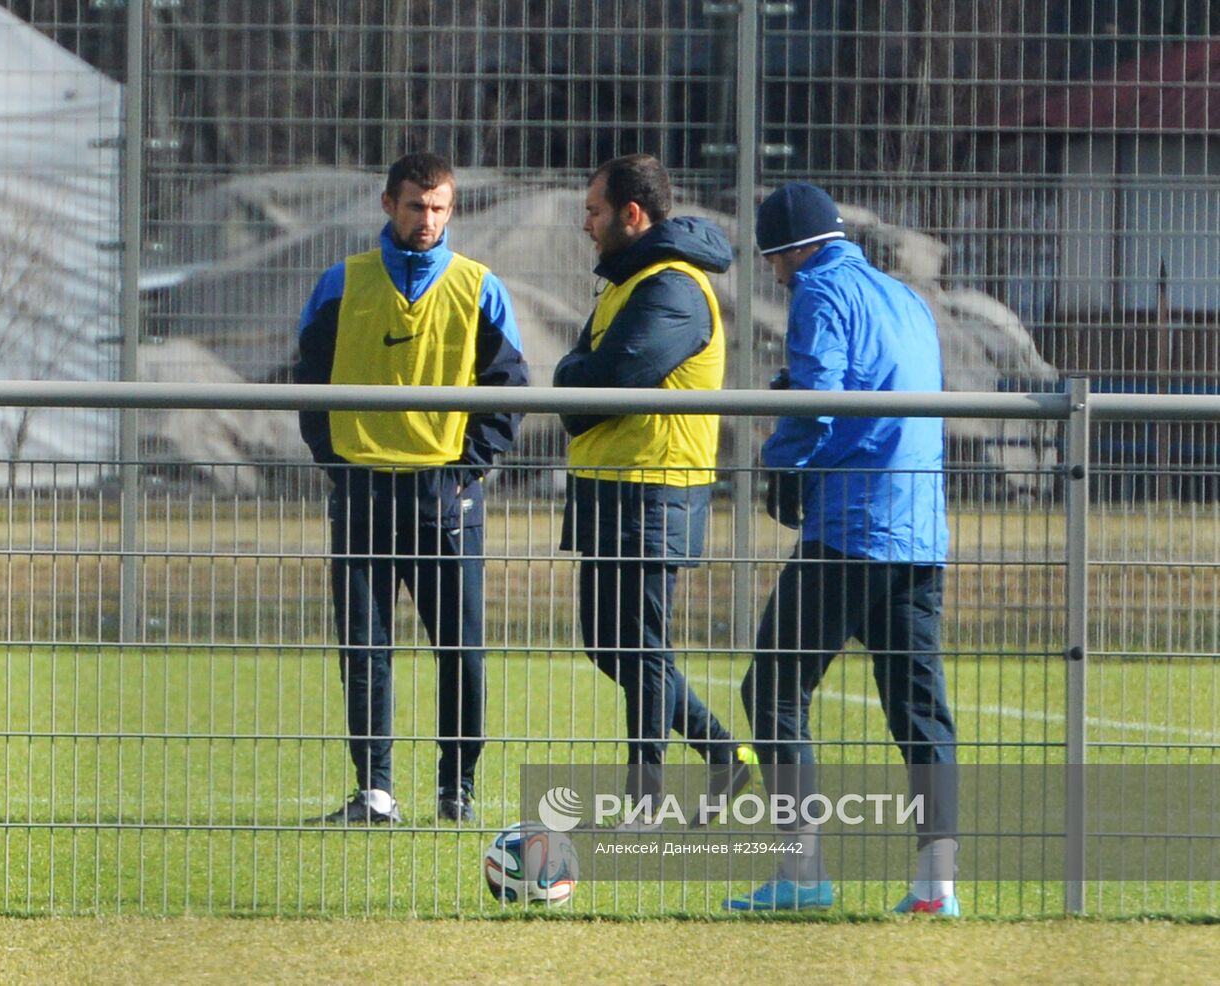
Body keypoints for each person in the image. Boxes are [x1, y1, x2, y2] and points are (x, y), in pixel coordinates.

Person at [722, 182, 959, 914]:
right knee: (918, 707)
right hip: (921, 528)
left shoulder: (819, 294)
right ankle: (936, 886)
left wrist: (782, 464)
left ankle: (801, 872)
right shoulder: (906, 297)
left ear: (786, 252)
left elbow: (818, 392)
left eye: (773, 265)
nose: (776, 278)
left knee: (772, 689)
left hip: (855, 525)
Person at [296, 152, 528, 825]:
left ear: (451, 210)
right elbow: (307, 381)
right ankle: (375, 792)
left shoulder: (480, 286)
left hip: (445, 500)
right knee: (365, 652)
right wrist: (338, 465)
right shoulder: (342, 284)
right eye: (414, 206)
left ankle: (457, 790)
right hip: (363, 492)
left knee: (462, 654)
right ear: (387, 205)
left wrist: (467, 469)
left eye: (439, 208)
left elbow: (508, 389)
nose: (427, 220)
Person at [554, 153, 747, 811]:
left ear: (631, 215)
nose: (587, 224)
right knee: (611, 646)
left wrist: (578, 381)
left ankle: (648, 795)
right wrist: (578, 379)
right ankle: (724, 757)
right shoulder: (625, 283)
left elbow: (592, 389)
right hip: (612, 487)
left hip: (653, 489)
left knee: (639, 647)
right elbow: (577, 379)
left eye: (594, 211)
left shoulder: (671, 289)